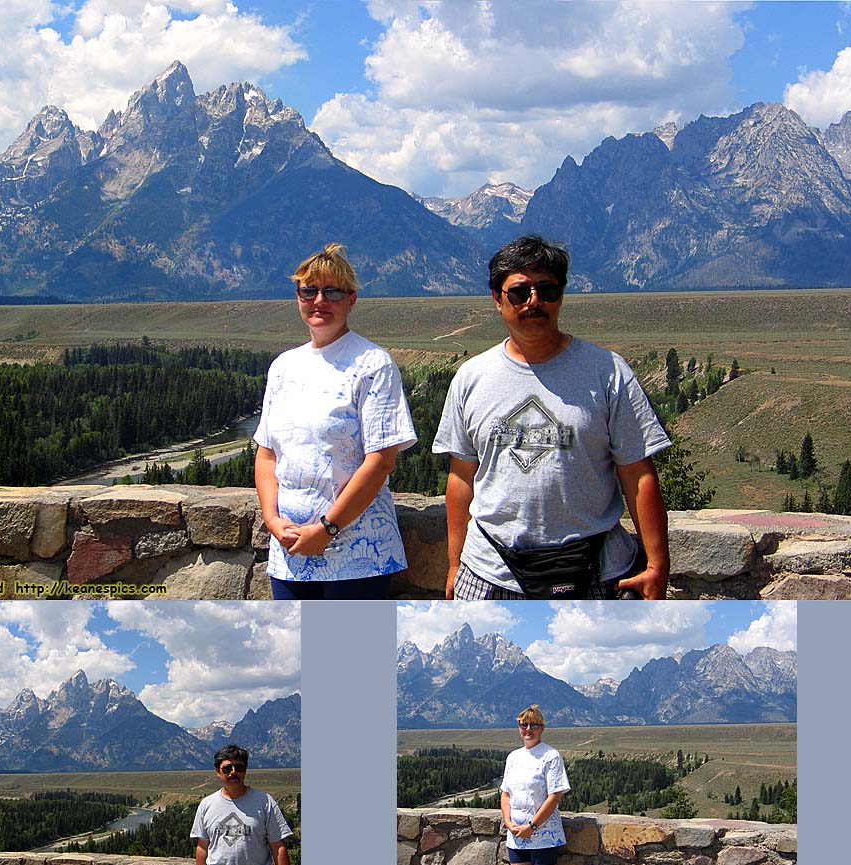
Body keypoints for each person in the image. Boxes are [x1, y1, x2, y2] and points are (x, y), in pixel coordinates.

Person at [433, 234, 671, 600]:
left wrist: (657, 566)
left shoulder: (608, 372)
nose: (534, 302)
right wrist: (454, 564)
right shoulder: (471, 377)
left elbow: (637, 472)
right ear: (497, 299)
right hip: (489, 570)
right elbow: (462, 475)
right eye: (519, 292)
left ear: (561, 295)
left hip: (597, 568)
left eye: (547, 290)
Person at [253, 243, 417, 599]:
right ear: (297, 297)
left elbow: (380, 461)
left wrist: (327, 528)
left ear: (351, 299)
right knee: (299, 652)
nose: (319, 300)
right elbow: (267, 453)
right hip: (290, 551)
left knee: (347, 655)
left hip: (358, 553)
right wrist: (271, 519)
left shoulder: (373, 364)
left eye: (332, 291)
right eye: (309, 291)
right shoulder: (283, 367)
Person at [191, 744, 293, 865]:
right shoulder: (206, 804)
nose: (233, 772)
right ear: (218, 772)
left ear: (245, 770)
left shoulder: (265, 802)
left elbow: (277, 846)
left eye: (239, 767)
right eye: (227, 768)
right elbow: (202, 847)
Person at [501, 705, 570, 865]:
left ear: (542, 728)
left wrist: (532, 826)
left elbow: (555, 796)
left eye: (534, 725)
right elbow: (506, 794)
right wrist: (508, 822)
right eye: (524, 725)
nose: (528, 729)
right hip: (516, 835)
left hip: (544, 834)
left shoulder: (551, 756)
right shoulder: (513, 757)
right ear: (519, 727)